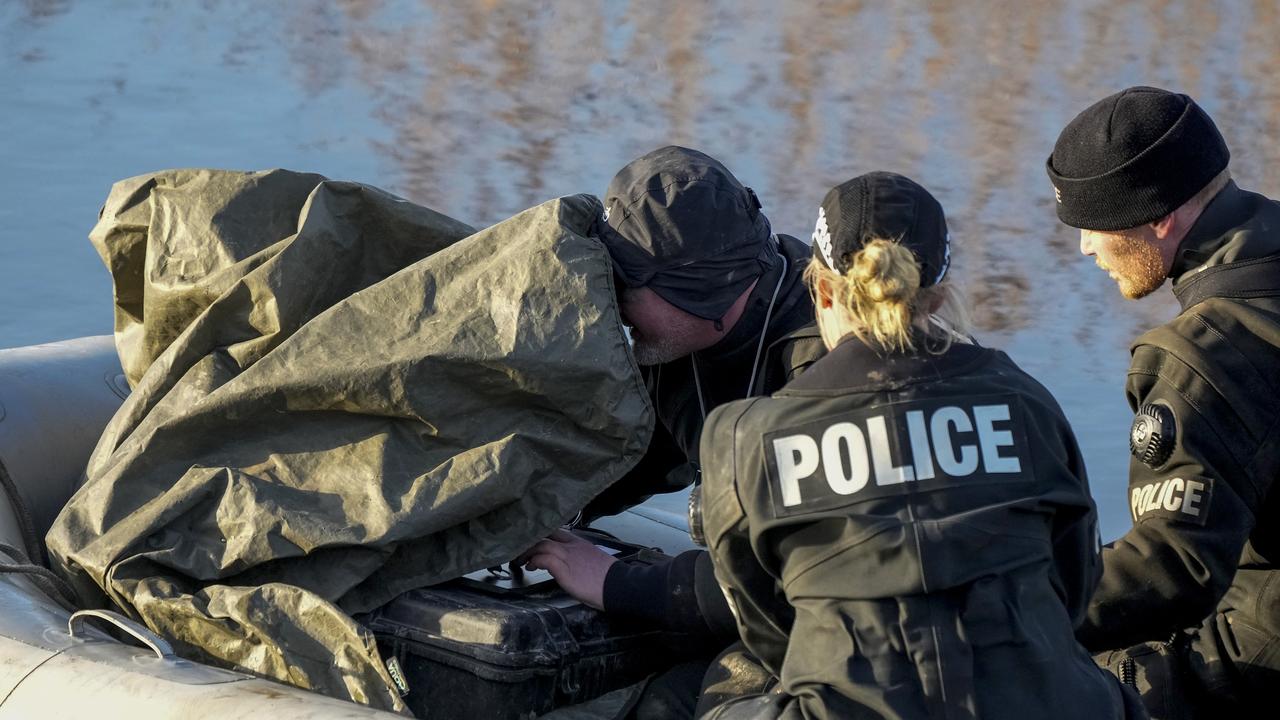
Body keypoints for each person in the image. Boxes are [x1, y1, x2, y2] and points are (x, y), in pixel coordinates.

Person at [693, 172, 1141, 719]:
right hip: (1056, 705)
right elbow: (1073, 586)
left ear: (823, 289)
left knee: (726, 685)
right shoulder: (1025, 402)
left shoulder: (746, 436)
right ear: (938, 298)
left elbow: (767, 630)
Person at [522, 146, 824, 717]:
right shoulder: (675, 340)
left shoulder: (822, 373)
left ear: (704, 295)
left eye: (626, 284)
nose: (610, 301)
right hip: (762, 600)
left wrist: (616, 583)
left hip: (837, 637)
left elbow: (797, 585)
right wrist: (537, 513)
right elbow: (632, 455)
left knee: (665, 706)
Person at [1047, 86, 1280, 717]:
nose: (1085, 248)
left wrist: (1022, 608)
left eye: (1094, 224)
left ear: (1158, 217)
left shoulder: (1199, 357)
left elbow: (1174, 570)